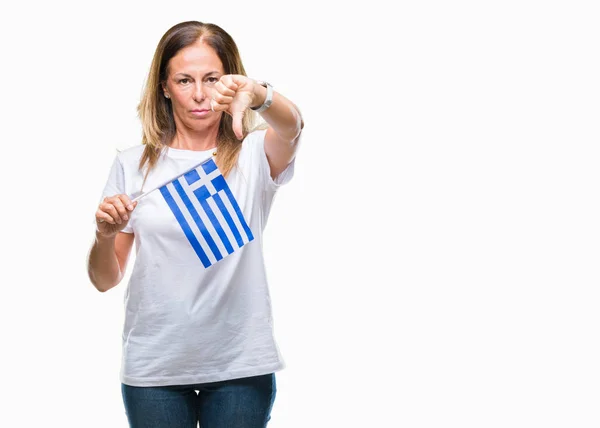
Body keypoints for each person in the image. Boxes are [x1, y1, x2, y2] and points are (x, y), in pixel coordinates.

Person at [86, 20, 303, 428]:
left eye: (212, 79)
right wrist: (103, 236)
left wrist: (259, 94)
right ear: (164, 87)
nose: (200, 94)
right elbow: (104, 279)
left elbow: (293, 127)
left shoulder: (255, 154)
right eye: (185, 80)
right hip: (155, 367)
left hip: (240, 366)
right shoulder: (132, 165)